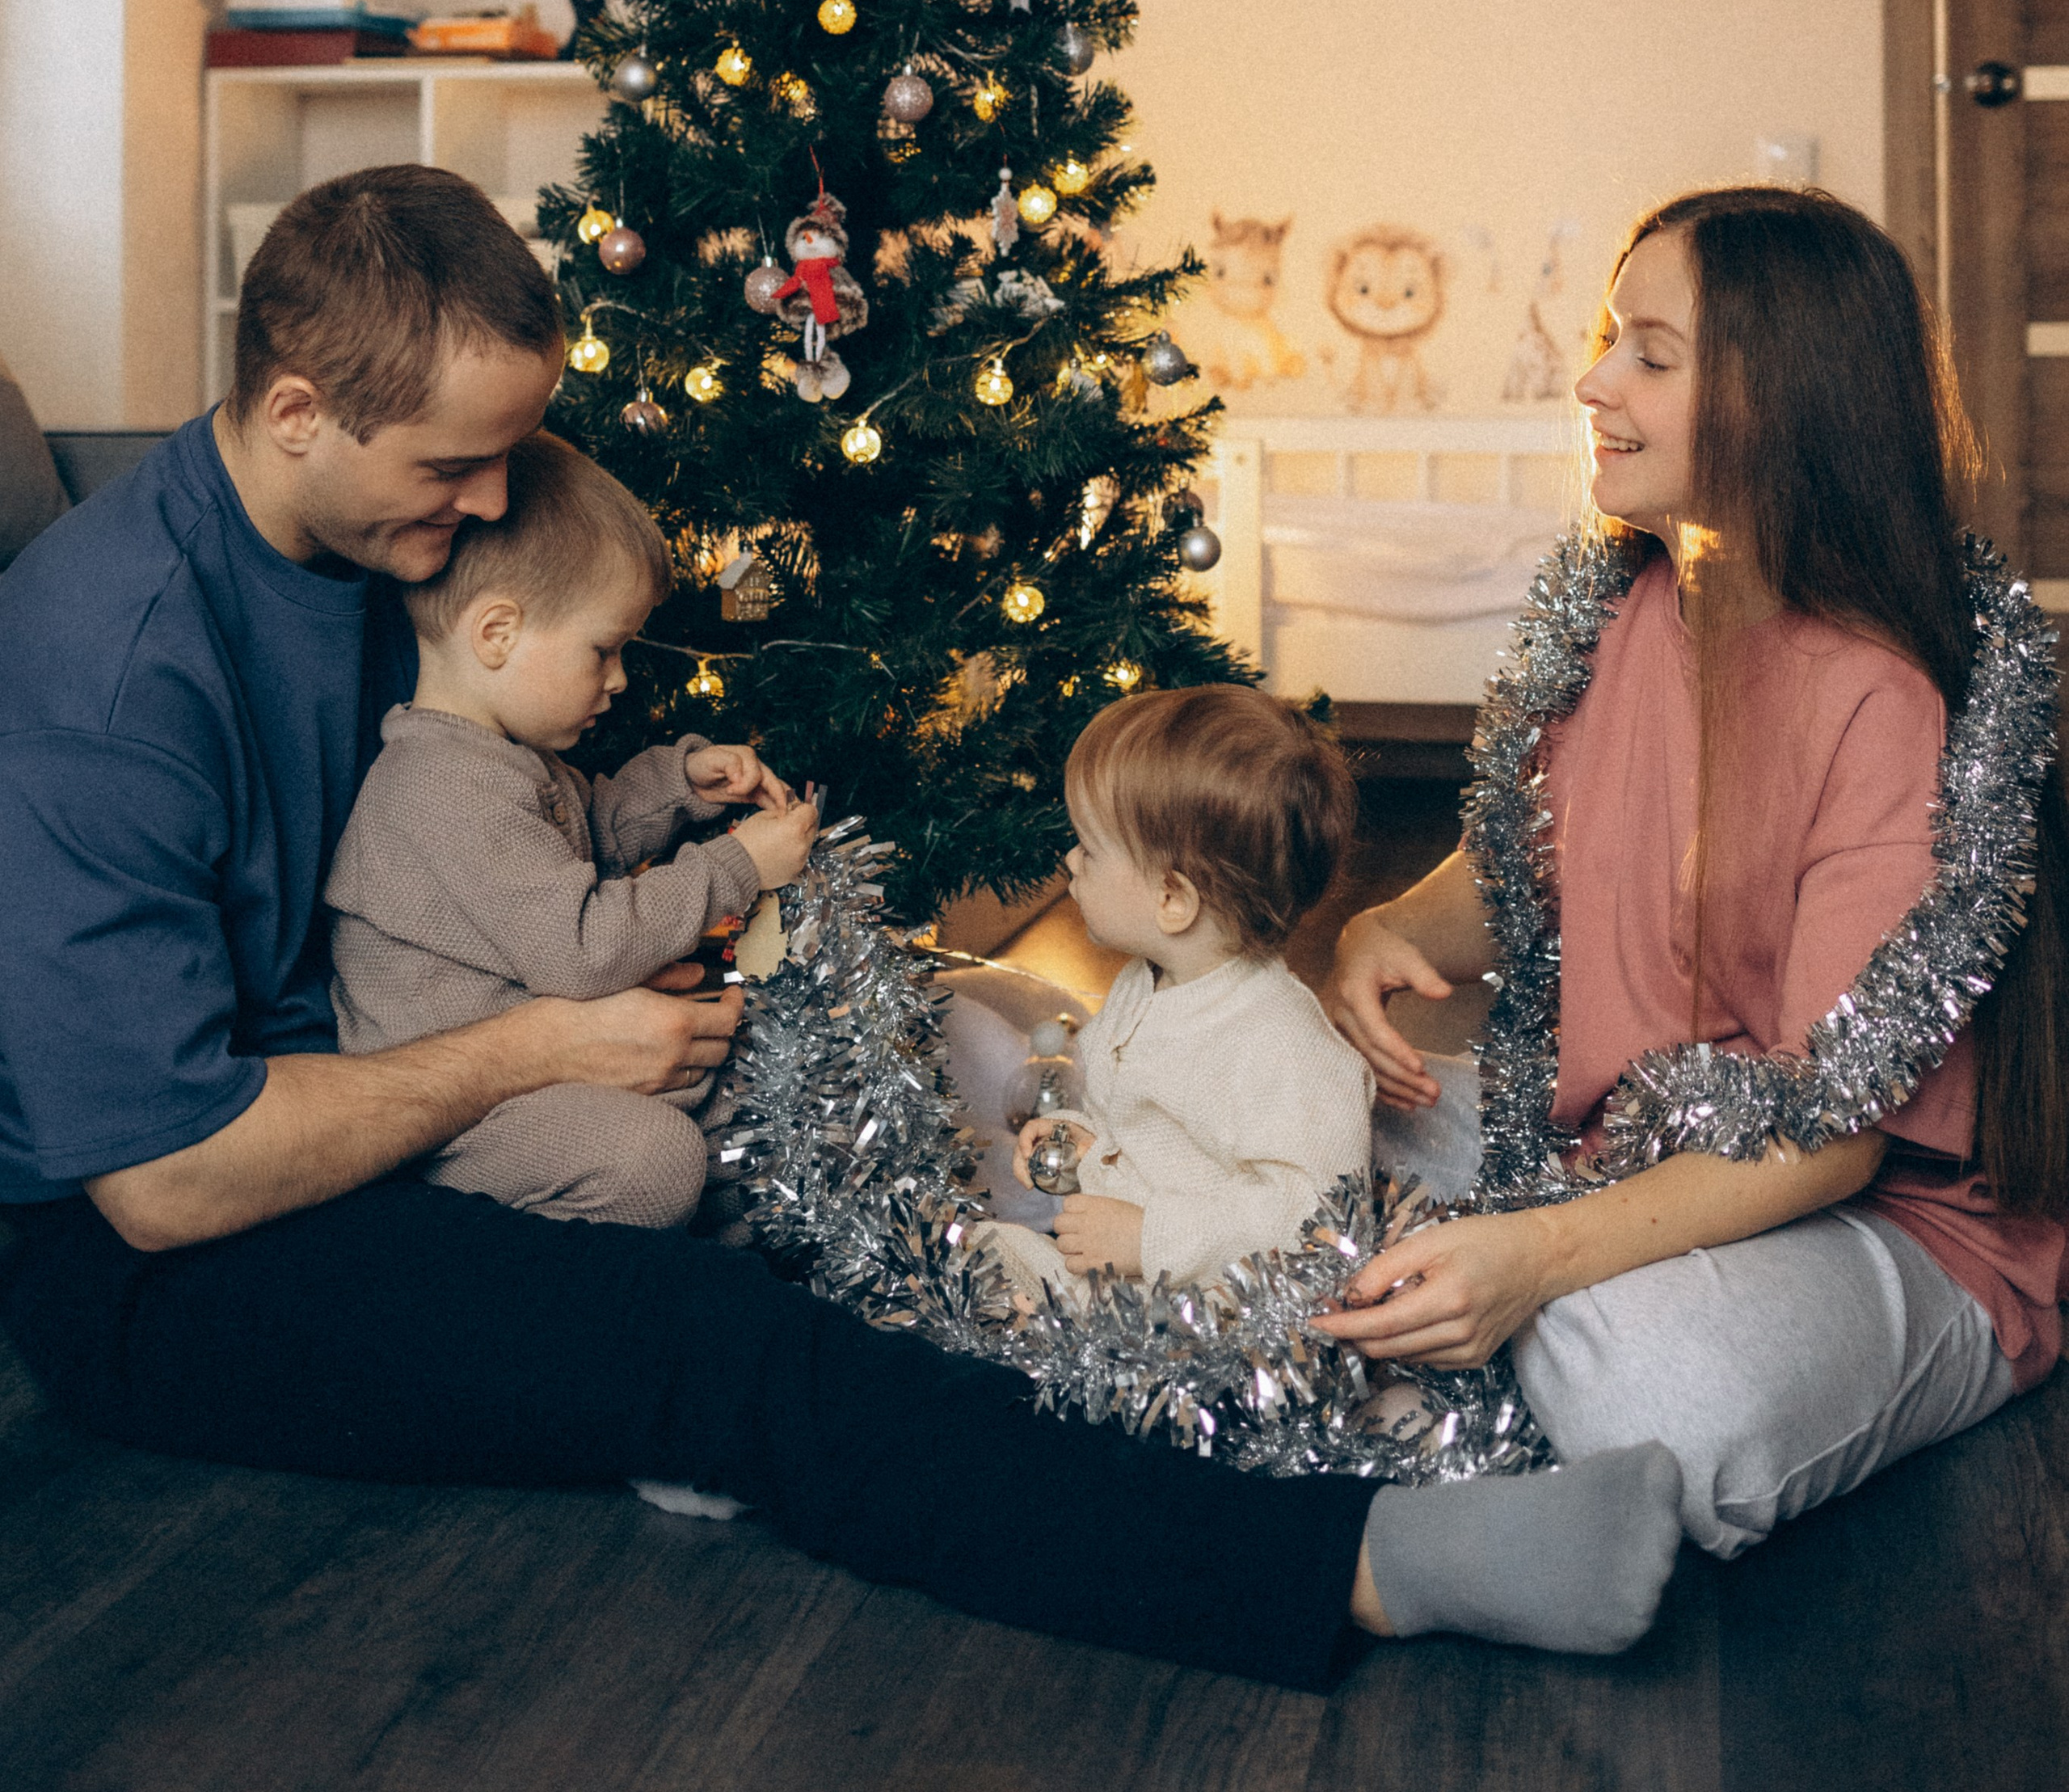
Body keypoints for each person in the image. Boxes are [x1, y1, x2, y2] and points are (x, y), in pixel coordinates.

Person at [11, 162, 1703, 1684]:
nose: (482, 509)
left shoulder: (386, 557)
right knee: (718, 1341)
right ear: (299, 411)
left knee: (877, 1177)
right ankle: (1359, 1564)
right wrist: (545, 1040)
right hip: (167, 1258)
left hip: (407, 1103)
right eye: (452, 470)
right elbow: (165, 1180)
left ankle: (1257, 1417)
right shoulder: (114, 677)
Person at [1321, 186, 2069, 1653]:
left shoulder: (1882, 690)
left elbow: (1843, 1127)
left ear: (1782, 398)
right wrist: (1375, 931)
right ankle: (1441, 1303)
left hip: (1881, 1218)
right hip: (1610, 1145)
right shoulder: (1617, 615)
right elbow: (1517, 864)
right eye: (1610, 341)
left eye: (1648, 354)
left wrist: (1536, 1257)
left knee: (1657, 1396)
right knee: (1279, 1093)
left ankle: (1422, 1327)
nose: (1592, 382)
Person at [326, 430, 820, 1230]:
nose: (619, 678)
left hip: (537, 1076)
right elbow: (583, 948)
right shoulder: (442, 786)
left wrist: (680, 780)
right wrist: (737, 864)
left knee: (743, 1095)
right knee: (650, 1158)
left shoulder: (502, 756)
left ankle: (752, 1281)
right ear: (497, 635)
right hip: (456, 1125)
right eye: (603, 650)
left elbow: (590, 821)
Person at [989, 686, 1372, 1304]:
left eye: (1089, 847)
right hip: (1128, 1283)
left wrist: (1149, 1237)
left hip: (1214, 1318)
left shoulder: (1281, 1044)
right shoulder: (1147, 981)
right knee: (979, 1252)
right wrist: (1082, 1142)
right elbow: (1142, 1133)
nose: (1069, 860)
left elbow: (1318, 1222)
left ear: (1173, 900)